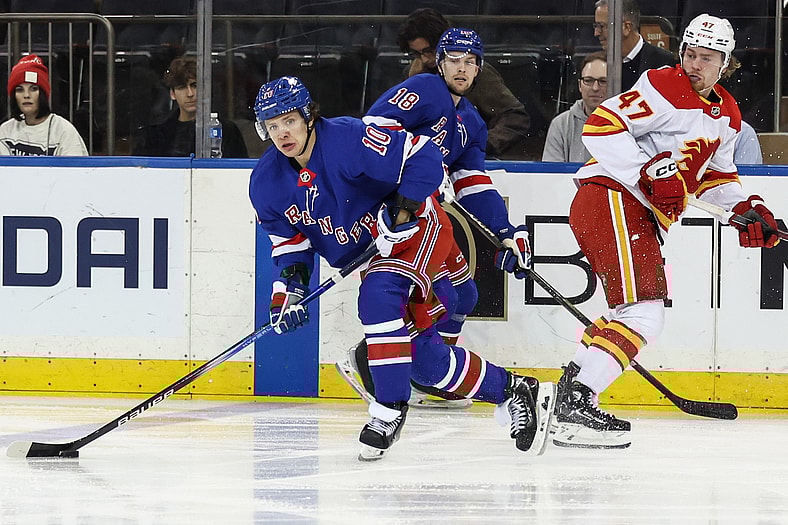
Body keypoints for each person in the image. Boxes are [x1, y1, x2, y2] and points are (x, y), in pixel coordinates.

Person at [248, 76, 553, 461]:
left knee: (377, 298)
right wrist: (289, 291)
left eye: (289, 120)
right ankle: (514, 390)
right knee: (425, 363)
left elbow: (422, 154)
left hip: (418, 228)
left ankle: (388, 409)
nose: (282, 133)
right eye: (272, 125)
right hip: (376, 254)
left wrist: (403, 208)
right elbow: (292, 248)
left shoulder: (349, 138)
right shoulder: (265, 183)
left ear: (308, 116)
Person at [555, 14, 781, 449]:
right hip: (611, 197)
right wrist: (647, 173)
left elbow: (714, 179)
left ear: (725, 62)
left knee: (629, 313)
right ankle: (575, 404)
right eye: (690, 54)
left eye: (707, 58)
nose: (695, 64)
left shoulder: (728, 116)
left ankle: (569, 391)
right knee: (645, 313)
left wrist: (747, 210)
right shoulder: (663, 85)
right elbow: (601, 127)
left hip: (632, 211)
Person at [352, 28, 534, 409]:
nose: (462, 68)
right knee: (436, 296)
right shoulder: (424, 89)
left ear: (480, 68)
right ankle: (379, 360)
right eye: (454, 59)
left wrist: (504, 230)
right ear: (440, 62)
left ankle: (432, 378)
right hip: (395, 213)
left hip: (428, 216)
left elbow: (472, 182)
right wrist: (409, 180)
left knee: (465, 294)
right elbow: (369, 131)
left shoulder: (472, 123)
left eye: (471, 62)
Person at [396, 8, 532, 160]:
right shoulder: (412, 74)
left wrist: (480, 145)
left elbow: (515, 117)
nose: (425, 59)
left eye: (429, 51)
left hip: (467, 164)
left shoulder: (474, 72)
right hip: (421, 159)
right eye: (417, 54)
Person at [133, 56, 248, 158]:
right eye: (181, 87)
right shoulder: (155, 134)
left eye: (195, 86)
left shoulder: (227, 130)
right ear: (172, 94)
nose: (190, 94)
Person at [0, 55, 88, 156]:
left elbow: (75, 170)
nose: (26, 95)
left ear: (42, 93)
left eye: (33, 89)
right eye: (19, 90)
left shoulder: (63, 130)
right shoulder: (5, 131)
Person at [593, 0, 676, 92]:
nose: (596, 33)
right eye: (595, 26)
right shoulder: (595, 63)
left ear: (627, 27)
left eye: (602, 26)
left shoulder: (665, 63)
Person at [542, 51, 607, 163]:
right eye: (588, 81)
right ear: (579, 85)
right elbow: (551, 175)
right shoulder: (560, 124)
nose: (595, 88)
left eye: (603, 81)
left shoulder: (628, 124)